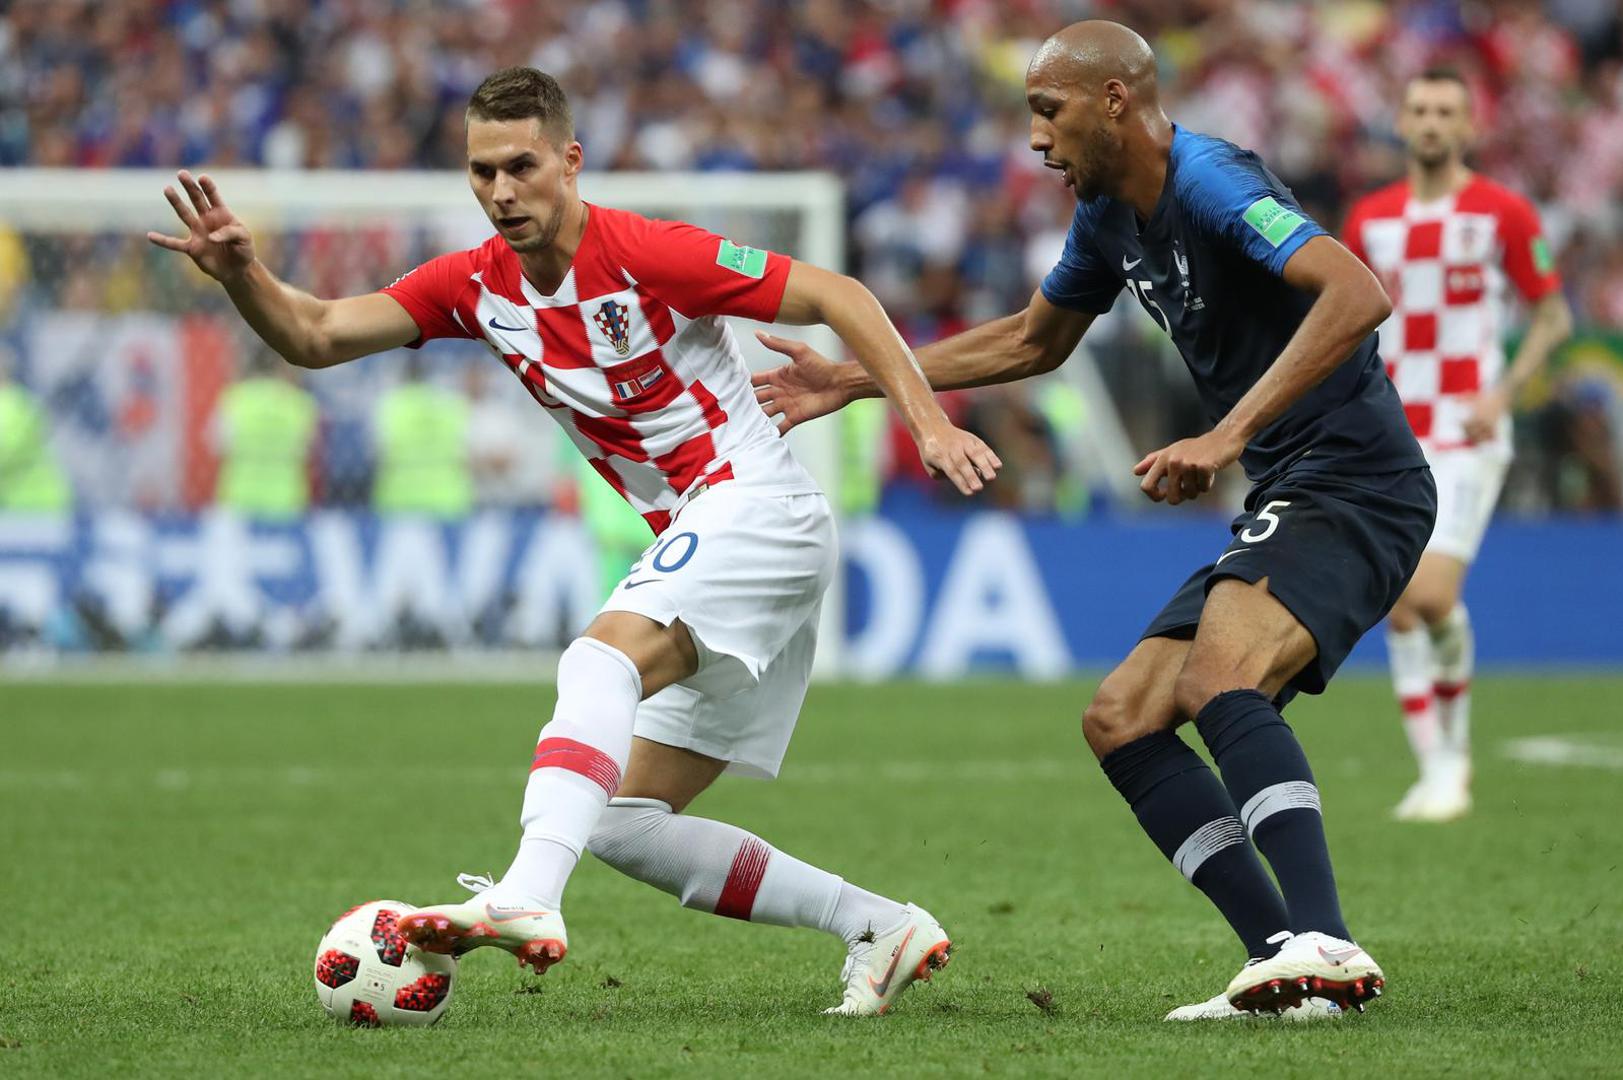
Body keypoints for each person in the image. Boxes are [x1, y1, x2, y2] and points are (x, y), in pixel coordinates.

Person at [147, 65, 999, 1016]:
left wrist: (926, 421)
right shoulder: (472, 285)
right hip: (711, 532)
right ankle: (877, 925)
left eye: (521, 166)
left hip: (755, 505)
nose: (501, 191)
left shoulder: (647, 252)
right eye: (482, 171)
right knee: (623, 821)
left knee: (599, 662)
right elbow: (314, 333)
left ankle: (524, 895)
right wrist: (243, 275)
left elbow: (839, 293)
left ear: (569, 161)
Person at [754, 21, 1435, 1021]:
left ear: (1114, 101)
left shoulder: (1211, 182)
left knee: (1219, 680)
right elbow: (1035, 340)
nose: (1035, 137)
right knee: (1121, 719)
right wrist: (856, 379)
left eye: (1048, 109)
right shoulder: (1108, 213)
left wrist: (1226, 435)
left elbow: (1356, 293)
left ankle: (1326, 939)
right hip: (1291, 487)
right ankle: (1284, 963)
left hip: (1355, 480)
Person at [1342, 70, 1573, 823]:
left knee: (1429, 596)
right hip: (1390, 434)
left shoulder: (1502, 212)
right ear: (1401, 122)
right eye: (1419, 109)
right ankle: (1436, 768)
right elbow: (1343, 321)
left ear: (1470, 126)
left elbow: (1553, 317)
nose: (1432, 122)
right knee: (1402, 609)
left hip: (1467, 430)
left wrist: (1502, 394)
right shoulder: (1369, 219)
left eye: (1446, 110)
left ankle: (1452, 757)